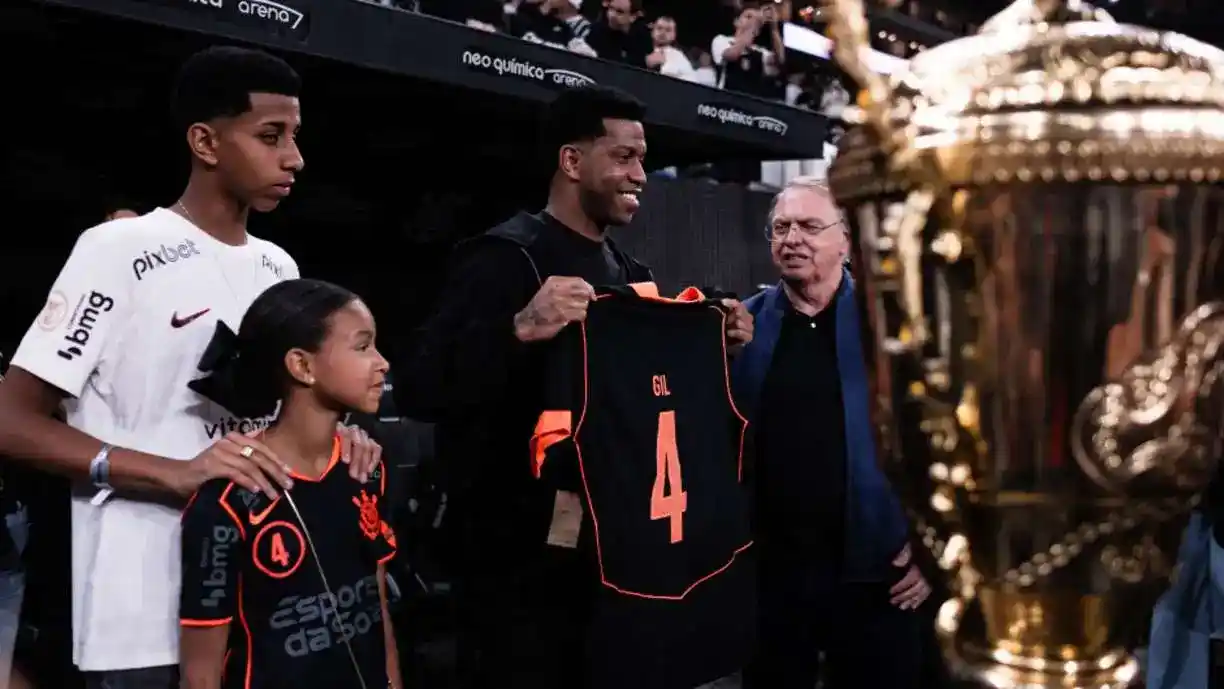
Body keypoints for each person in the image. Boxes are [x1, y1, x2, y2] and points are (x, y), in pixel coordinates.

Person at [0, 46, 381, 689]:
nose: (294, 158)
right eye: (270, 136)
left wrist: (341, 441)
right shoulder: (118, 250)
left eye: (295, 136)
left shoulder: (278, 267)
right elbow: (10, 420)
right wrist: (172, 473)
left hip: (261, 598)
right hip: (141, 606)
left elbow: (277, 420)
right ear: (205, 141)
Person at [397, 84, 753, 689]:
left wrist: (710, 347)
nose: (640, 174)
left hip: (613, 557)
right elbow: (419, 387)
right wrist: (520, 327)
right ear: (571, 162)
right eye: (623, 157)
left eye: (643, 159)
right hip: (516, 571)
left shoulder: (633, 275)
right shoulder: (504, 258)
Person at [732, 177, 930, 689]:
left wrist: (932, 548)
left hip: (878, 574)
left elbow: (940, 441)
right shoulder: (741, 329)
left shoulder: (895, 326)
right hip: (772, 576)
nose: (792, 238)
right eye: (782, 227)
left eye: (810, 226)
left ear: (847, 240)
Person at [178, 279, 401, 689]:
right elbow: (201, 672)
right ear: (302, 366)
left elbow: (377, 606)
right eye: (362, 346)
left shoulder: (366, 467)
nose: (382, 362)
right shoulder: (230, 499)